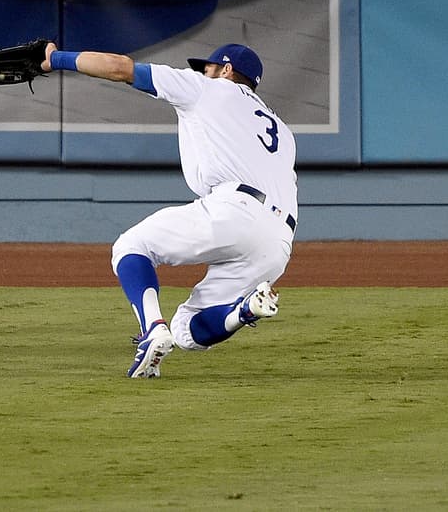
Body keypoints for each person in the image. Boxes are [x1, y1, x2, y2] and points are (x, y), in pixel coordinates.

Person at [41, 41, 297, 378]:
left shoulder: (208, 88)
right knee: (188, 332)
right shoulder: (282, 130)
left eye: (206, 67)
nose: (199, 72)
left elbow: (121, 67)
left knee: (131, 247)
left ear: (226, 70)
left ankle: (151, 330)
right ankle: (245, 310)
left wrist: (55, 59)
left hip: (236, 209)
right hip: (279, 240)